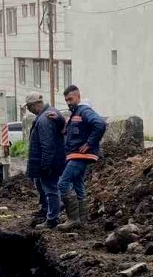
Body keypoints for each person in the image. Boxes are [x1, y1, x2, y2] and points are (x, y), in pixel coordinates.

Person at [57, 85, 107, 230]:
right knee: (78, 184)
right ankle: (82, 221)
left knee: (63, 184)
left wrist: (89, 143)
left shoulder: (84, 110)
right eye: (66, 100)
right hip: (77, 154)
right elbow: (71, 130)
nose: (68, 102)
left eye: (70, 99)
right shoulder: (76, 113)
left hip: (80, 155)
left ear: (78, 97)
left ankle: (73, 219)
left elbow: (100, 124)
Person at [23, 92, 66, 229]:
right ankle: (47, 211)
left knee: (51, 189)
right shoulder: (51, 113)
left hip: (50, 162)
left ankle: (52, 219)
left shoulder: (44, 120)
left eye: (29, 107)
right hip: (54, 160)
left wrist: (46, 165)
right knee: (45, 186)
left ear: (34, 105)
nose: (29, 110)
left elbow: (47, 145)